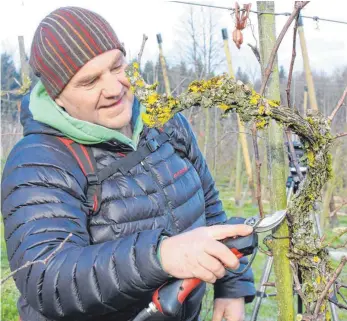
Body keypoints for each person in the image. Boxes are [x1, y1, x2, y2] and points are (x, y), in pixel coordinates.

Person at [1, 6, 255, 321]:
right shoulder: (39, 160)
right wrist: (162, 255)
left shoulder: (163, 123)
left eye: (116, 66)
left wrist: (232, 286)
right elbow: (46, 280)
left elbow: (210, 206)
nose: (114, 88)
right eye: (89, 81)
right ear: (57, 97)